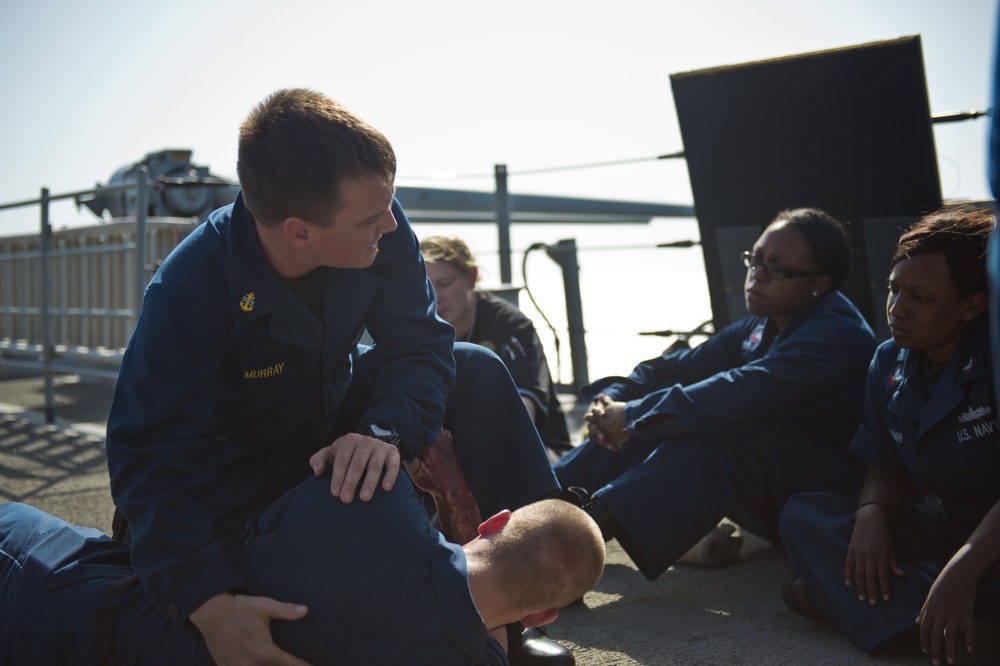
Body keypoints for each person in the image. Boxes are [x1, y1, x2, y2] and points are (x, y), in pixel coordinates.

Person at [104, 89, 564, 665]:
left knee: (476, 368)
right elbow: (151, 451)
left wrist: (384, 433)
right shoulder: (190, 290)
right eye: (372, 219)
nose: (392, 227)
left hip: (333, 420)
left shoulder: (380, 224)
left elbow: (420, 345)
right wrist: (205, 598)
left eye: (389, 208)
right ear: (300, 232)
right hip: (236, 472)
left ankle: (517, 609)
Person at [554, 207, 878, 579]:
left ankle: (569, 552)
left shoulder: (836, 336)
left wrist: (630, 417)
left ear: (818, 284)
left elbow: (741, 393)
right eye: (754, 260)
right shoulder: (762, 324)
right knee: (658, 413)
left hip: (829, 504)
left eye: (777, 268)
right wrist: (610, 403)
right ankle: (533, 502)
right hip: (774, 488)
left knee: (715, 427)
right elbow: (668, 368)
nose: (756, 275)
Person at [0, 473, 606, 665]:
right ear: (543, 616)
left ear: (494, 522)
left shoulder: (376, 499)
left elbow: (248, 528)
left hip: (81, 609)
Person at [780, 204, 1000, 666]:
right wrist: (871, 516)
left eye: (920, 298)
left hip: (988, 542)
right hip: (950, 528)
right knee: (805, 515)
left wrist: (964, 568)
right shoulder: (887, 362)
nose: (897, 309)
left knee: (813, 588)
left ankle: (906, 613)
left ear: (971, 305)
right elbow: (883, 470)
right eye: (893, 290)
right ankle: (942, 620)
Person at [421, 235, 572, 459]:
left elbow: (523, 416)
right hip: (456, 452)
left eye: (444, 284)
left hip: (538, 450)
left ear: (471, 278)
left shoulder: (511, 327)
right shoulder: (420, 331)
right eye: (425, 286)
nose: (435, 297)